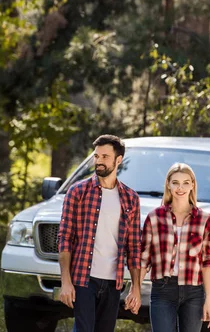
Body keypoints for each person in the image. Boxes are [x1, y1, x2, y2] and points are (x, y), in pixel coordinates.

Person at [57, 134, 141, 332]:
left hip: (113, 282)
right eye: (96, 156)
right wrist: (66, 281)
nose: (99, 161)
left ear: (118, 160)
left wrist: (136, 287)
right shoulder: (78, 192)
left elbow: (134, 246)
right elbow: (65, 237)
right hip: (84, 279)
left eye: (105, 157)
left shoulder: (130, 198)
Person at [139, 163, 210, 332]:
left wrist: (208, 299)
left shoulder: (205, 220)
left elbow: (207, 262)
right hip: (163, 290)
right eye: (175, 183)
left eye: (186, 183)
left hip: (194, 293)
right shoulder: (154, 217)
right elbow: (144, 259)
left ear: (193, 185)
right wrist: (135, 290)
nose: (180, 188)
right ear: (168, 184)